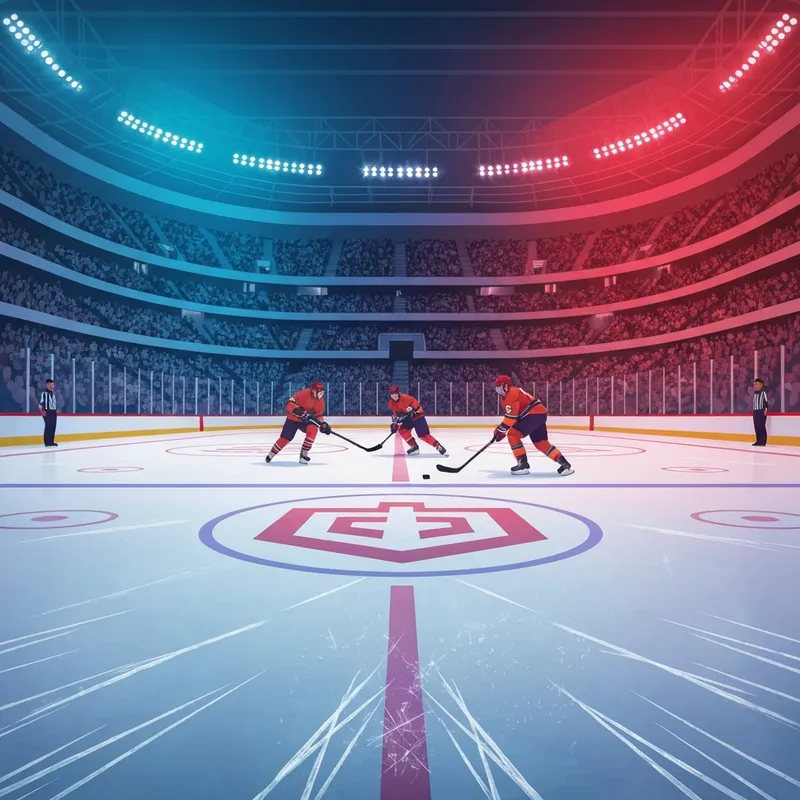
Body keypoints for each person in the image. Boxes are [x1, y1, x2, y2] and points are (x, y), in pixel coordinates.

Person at [492, 375, 573, 476]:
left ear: (505, 385)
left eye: (499, 385)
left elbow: (511, 418)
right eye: (496, 386)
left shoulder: (511, 394)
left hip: (532, 414)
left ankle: (523, 465)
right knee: (541, 443)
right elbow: (514, 417)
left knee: (512, 434)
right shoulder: (509, 395)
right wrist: (501, 430)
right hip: (539, 414)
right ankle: (565, 464)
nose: (497, 388)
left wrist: (500, 430)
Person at [265, 381, 331, 464]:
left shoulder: (321, 402)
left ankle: (303, 455)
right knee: (285, 438)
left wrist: (322, 424)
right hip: (293, 419)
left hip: (305, 422)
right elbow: (289, 404)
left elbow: (318, 416)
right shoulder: (303, 394)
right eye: (319, 393)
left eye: (322, 393)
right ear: (313, 391)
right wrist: (297, 411)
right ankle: (271, 455)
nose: (320, 395)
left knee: (313, 429)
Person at [388, 385, 447, 456]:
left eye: (395, 394)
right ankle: (414, 447)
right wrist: (394, 423)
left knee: (423, 435)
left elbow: (419, 408)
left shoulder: (407, 398)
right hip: (408, 419)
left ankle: (438, 446)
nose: (394, 396)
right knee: (402, 430)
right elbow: (395, 414)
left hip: (418, 418)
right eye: (392, 395)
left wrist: (414, 410)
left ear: (398, 393)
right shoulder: (391, 403)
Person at [39, 377, 58, 447]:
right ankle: (47, 442)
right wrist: (42, 411)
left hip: (53, 412)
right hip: (47, 411)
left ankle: (51, 441)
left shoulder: (54, 394)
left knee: (53, 426)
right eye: (50, 385)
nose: (51, 386)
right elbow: (41, 403)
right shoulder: (44, 393)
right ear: (47, 385)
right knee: (48, 426)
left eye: (52, 385)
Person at [752, 377, 769, 446]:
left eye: (757, 384)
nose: (756, 386)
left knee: (761, 426)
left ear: (761, 385)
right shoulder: (755, 393)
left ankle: (763, 441)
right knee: (756, 426)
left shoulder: (763, 392)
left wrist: (766, 408)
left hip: (762, 411)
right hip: (755, 411)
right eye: (755, 384)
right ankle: (758, 440)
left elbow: (766, 401)